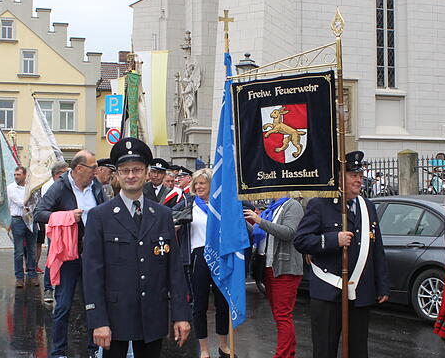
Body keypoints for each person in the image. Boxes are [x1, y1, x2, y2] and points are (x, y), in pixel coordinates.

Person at [83, 137, 191, 358]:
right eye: (124, 170)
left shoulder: (162, 215)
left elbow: (174, 270)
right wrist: (98, 321)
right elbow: (92, 273)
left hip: (152, 315)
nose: (130, 175)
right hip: (114, 317)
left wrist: (181, 315)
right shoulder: (99, 216)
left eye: (136, 170)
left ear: (147, 172)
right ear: (117, 174)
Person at [294, 151, 390, 358]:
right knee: (325, 349)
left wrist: (382, 285)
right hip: (329, 291)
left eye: (360, 175)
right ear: (339, 177)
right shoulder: (320, 204)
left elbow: (377, 249)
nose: (358, 179)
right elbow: (300, 240)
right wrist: (332, 240)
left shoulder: (368, 207)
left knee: (358, 350)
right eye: (353, 175)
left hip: (360, 290)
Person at [34, 150, 105, 358]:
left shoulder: (97, 187)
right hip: (68, 254)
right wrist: (66, 216)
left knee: (92, 302)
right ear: (79, 169)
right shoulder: (60, 187)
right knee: (63, 305)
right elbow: (39, 213)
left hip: (93, 253)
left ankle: (94, 349)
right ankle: (58, 351)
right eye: (93, 168)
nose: (96, 171)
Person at [173, 168, 234, 358]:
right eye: (196, 183)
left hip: (220, 255)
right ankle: (204, 348)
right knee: (199, 305)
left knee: (222, 303)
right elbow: (168, 219)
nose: (198, 186)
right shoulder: (187, 204)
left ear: (211, 185)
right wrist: (175, 225)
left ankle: (223, 345)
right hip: (198, 256)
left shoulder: (222, 205)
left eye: (202, 183)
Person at [244, 196, 305, 358]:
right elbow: (263, 233)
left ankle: (283, 355)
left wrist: (259, 220)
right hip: (268, 266)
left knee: (283, 314)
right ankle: (288, 352)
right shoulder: (271, 208)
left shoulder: (293, 205)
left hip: (285, 267)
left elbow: (288, 232)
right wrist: (244, 221)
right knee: (280, 314)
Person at [39, 160, 70, 303]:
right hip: (56, 229)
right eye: (66, 172)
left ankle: (62, 287)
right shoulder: (50, 187)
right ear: (58, 174)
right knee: (53, 257)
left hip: (67, 228)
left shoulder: (66, 185)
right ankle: (48, 288)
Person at [8, 166, 38, 288]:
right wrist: (29, 203)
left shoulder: (31, 187)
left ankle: (32, 274)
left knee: (32, 249)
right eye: (15, 174)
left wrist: (30, 204)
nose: (16, 176)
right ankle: (19, 277)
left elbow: (36, 201)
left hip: (31, 219)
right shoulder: (11, 188)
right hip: (18, 220)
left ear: (25, 175)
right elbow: (21, 202)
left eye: (18, 174)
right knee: (19, 251)